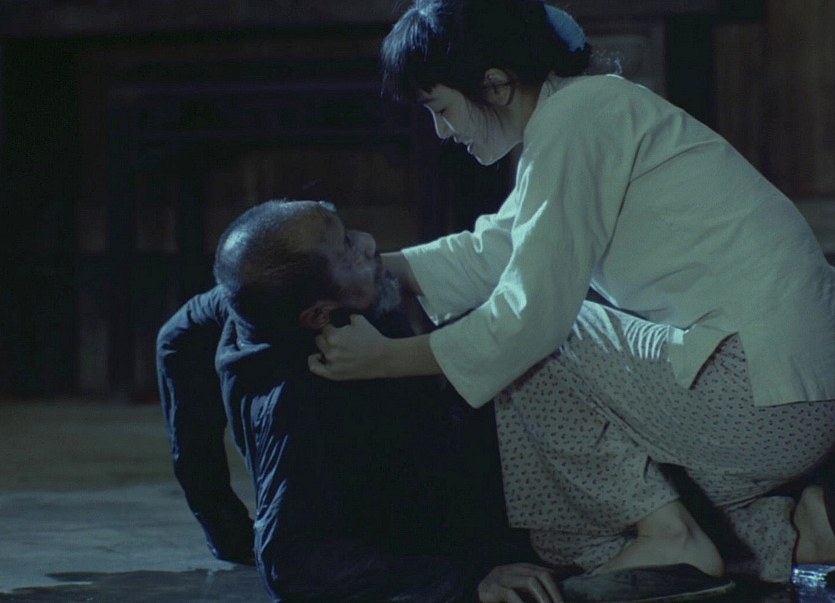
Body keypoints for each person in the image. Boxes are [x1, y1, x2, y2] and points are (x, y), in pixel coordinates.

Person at [307, 1, 835, 601]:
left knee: (549, 335)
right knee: (563, 524)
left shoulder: (578, 117)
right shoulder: (578, 113)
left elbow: (530, 314)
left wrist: (384, 360)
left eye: (440, 108)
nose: (442, 132)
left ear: (495, 85)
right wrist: (371, 270)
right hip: (785, 398)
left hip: (765, 395)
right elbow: (501, 249)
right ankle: (794, 537)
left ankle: (670, 533)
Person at [156, 199, 536, 603]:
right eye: (348, 250)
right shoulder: (296, 403)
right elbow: (290, 564)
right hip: (404, 529)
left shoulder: (255, 300)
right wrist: (467, 580)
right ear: (318, 315)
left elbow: (174, 339)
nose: (369, 242)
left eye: (349, 232)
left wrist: (220, 524)